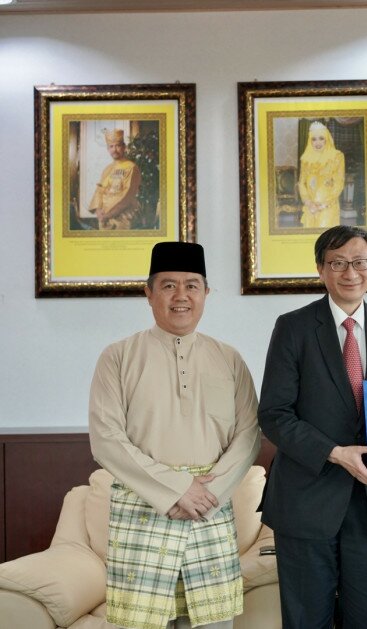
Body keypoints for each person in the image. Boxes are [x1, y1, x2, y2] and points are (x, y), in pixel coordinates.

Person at [88, 242, 261, 629]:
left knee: (213, 625)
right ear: (148, 293)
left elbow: (249, 435)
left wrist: (206, 495)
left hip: (208, 511)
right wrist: (177, 489)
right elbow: (106, 439)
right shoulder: (117, 356)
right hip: (144, 508)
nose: (181, 296)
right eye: (168, 285)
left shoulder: (230, 358)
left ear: (206, 293)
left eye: (191, 285)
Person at [258, 225, 367, 629]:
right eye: (338, 263)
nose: (350, 273)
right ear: (321, 269)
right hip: (306, 501)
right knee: (307, 621)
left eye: (359, 262)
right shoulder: (293, 327)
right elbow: (274, 414)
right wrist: (336, 453)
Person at [88, 127, 142, 230]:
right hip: (105, 220)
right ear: (108, 149)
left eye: (117, 146)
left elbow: (128, 196)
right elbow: (99, 191)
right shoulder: (107, 169)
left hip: (124, 219)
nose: (114, 149)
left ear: (124, 147)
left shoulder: (131, 168)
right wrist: (99, 212)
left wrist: (109, 215)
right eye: (111, 146)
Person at [298, 121, 345, 229]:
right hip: (310, 207)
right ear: (310, 141)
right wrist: (309, 203)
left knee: (326, 238)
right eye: (314, 139)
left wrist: (324, 204)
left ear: (327, 139)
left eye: (321, 138)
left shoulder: (337, 157)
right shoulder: (305, 159)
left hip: (328, 206)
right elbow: (301, 183)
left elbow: (339, 183)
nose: (317, 143)